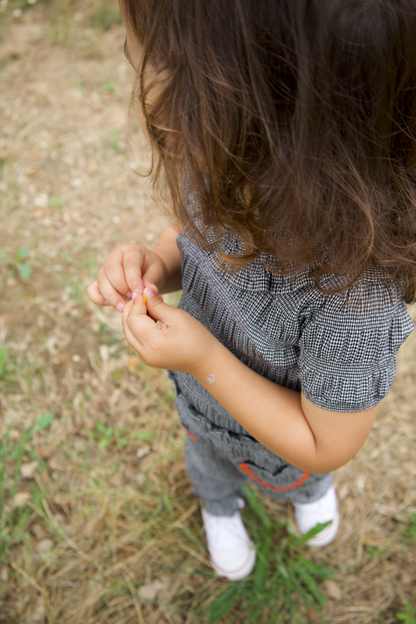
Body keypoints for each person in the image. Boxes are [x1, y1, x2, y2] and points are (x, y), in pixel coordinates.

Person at [88, 0, 416, 580]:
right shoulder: (226, 161)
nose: (153, 100)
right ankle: (220, 506)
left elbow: (325, 442)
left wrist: (203, 357)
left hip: (289, 445)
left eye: (165, 72)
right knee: (208, 459)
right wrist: (158, 263)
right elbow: (190, 233)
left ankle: (305, 497)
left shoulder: (355, 302)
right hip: (200, 408)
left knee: (300, 474)